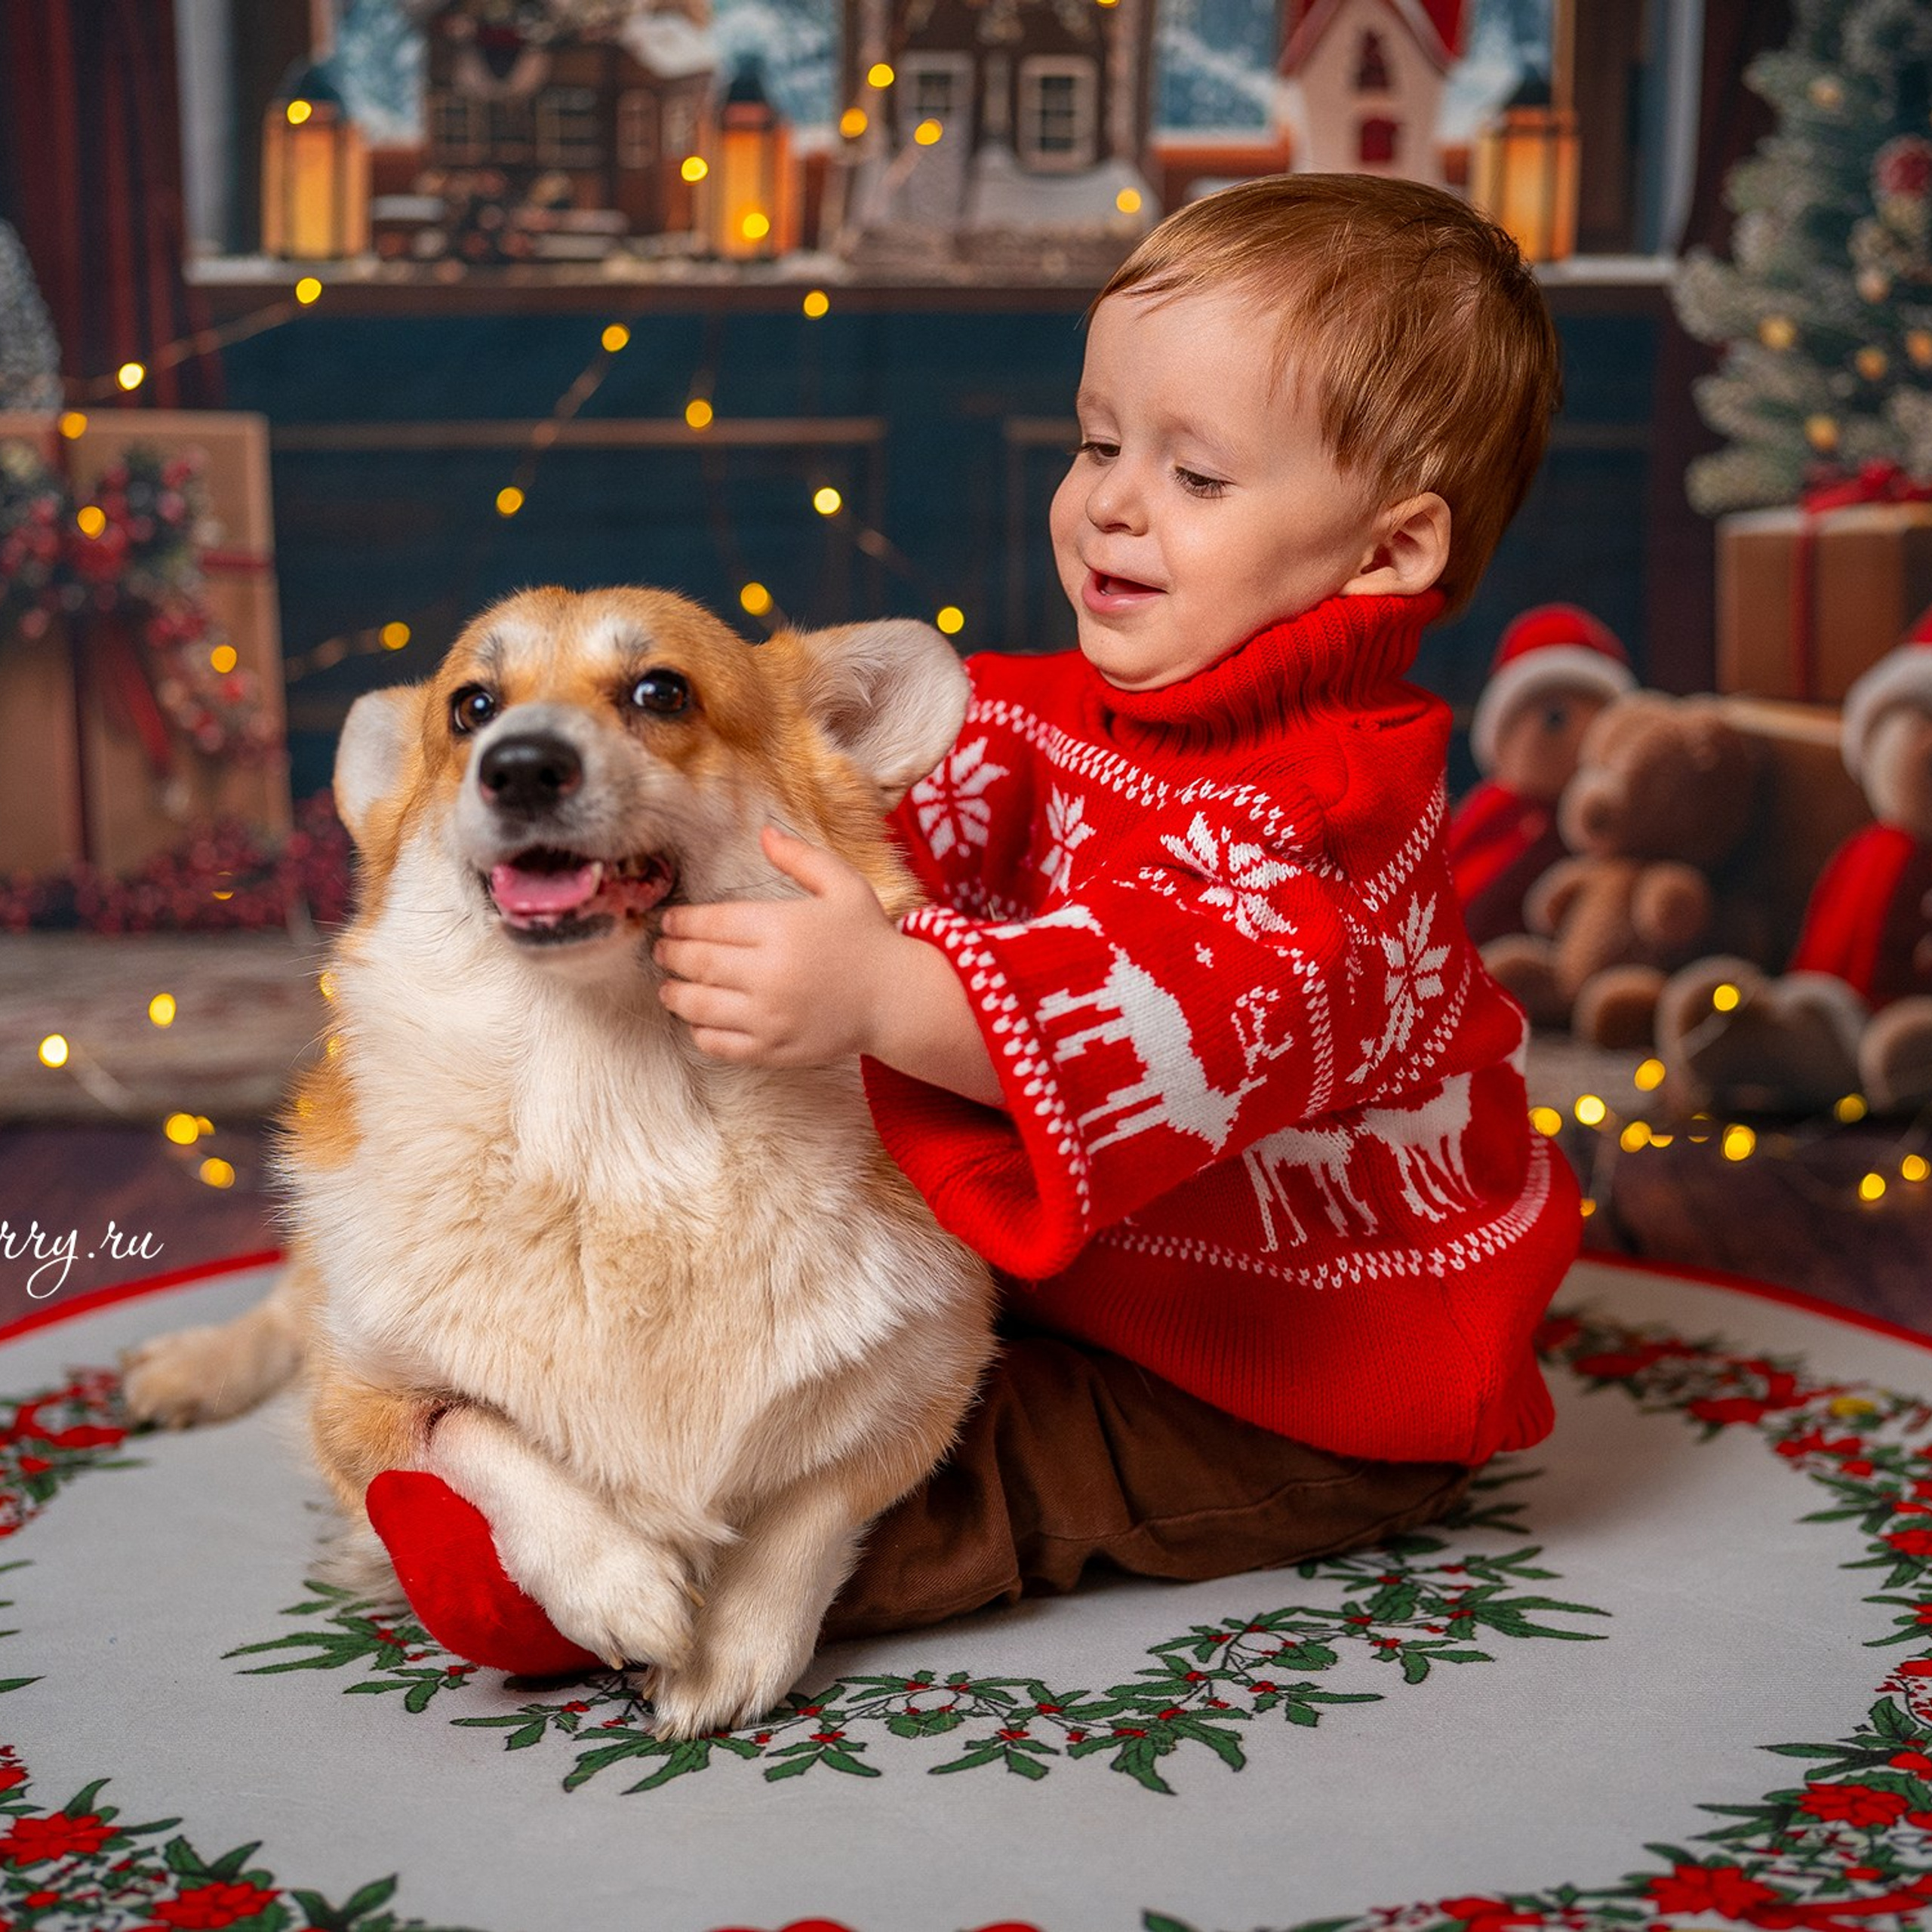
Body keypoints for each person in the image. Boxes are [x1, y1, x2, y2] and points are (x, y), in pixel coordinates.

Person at [654, 173, 1585, 1639]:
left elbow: (1170, 1009)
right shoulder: (1053, 707)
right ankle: (599, 1449)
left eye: (1195, 476)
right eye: (1097, 442)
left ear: (1385, 548)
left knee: (1020, 1455)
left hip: (1298, 1363)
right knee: (833, 1320)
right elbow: (908, 802)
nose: (1108, 501)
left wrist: (881, 990)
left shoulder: (1327, 835)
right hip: (1096, 1277)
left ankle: (692, 1588)